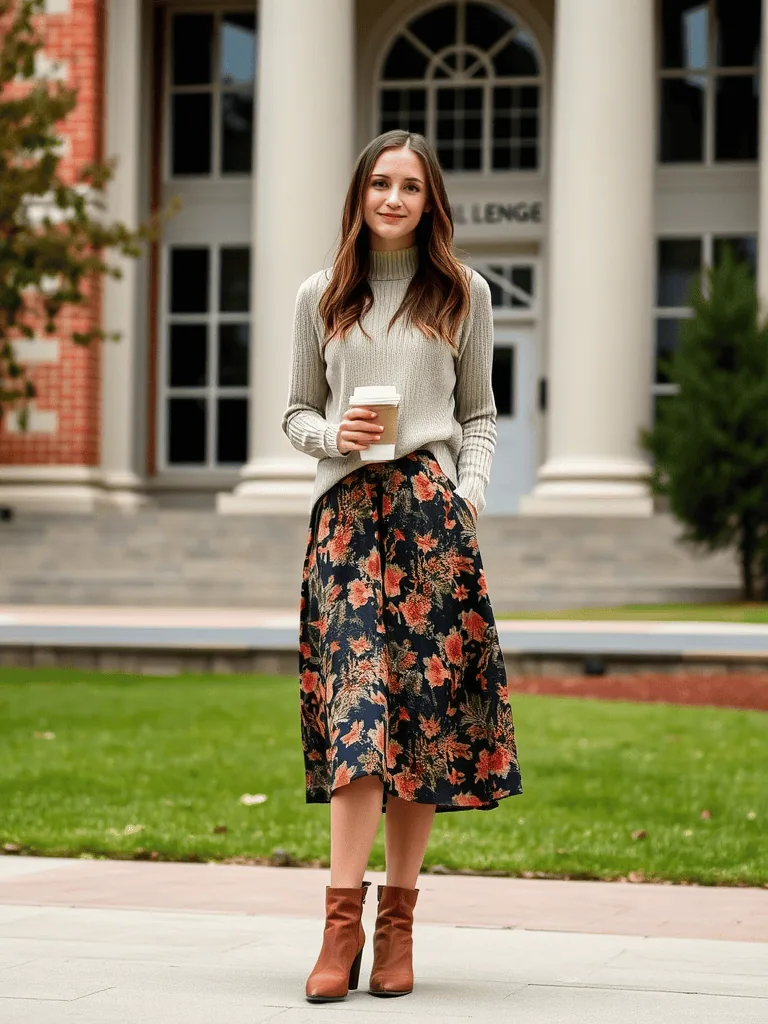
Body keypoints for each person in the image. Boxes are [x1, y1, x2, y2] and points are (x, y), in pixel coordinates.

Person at [281, 129, 523, 1004]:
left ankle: (398, 927)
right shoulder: (322, 294)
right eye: (380, 183)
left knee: (418, 727)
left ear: (430, 201)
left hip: (429, 518)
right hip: (344, 522)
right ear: (361, 194)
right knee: (359, 719)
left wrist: (469, 494)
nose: (392, 198)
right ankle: (337, 924)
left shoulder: (463, 293)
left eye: (409, 187)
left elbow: (482, 414)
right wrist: (327, 434)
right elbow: (296, 410)